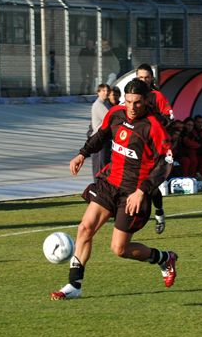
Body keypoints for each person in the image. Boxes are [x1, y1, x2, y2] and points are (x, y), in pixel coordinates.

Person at [50, 79, 177, 300]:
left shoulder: (153, 127)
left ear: (146, 101)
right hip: (109, 184)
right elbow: (101, 136)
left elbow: (165, 163)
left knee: (119, 249)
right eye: (128, 101)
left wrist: (142, 191)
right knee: (84, 229)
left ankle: (164, 258)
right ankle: (74, 286)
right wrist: (83, 153)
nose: (131, 107)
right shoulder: (116, 114)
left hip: (132, 193)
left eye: (137, 103)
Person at [135, 63, 174, 234]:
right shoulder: (132, 95)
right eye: (140, 77)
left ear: (152, 78)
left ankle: (158, 212)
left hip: (153, 148)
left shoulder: (156, 96)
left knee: (149, 186)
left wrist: (156, 124)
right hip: (136, 146)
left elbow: (169, 116)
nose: (143, 80)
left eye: (146, 77)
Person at [89, 83, 111, 179]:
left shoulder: (105, 103)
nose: (106, 93)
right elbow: (110, 118)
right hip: (99, 139)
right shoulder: (99, 105)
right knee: (99, 165)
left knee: (103, 164)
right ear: (98, 92)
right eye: (103, 91)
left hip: (104, 139)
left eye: (107, 91)